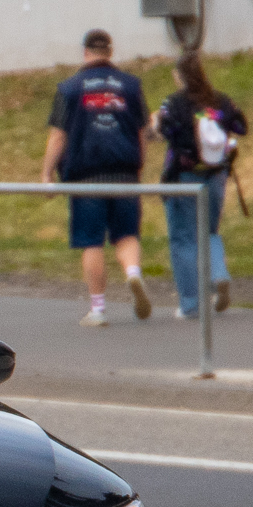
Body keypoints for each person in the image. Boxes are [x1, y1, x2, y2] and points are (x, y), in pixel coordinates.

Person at [41, 30, 152, 325]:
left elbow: (58, 136)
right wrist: (139, 167)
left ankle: (99, 309)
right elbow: (142, 132)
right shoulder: (130, 86)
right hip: (125, 174)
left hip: (86, 176)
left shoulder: (70, 88)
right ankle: (133, 274)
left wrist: (47, 172)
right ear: (110, 52)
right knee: (126, 235)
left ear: (85, 52)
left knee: (92, 241)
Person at [152, 51, 247, 317]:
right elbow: (240, 126)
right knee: (210, 231)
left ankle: (191, 304)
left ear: (178, 75)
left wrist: (157, 123)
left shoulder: (175, 102)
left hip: (183, 175)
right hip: (215, 174)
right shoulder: (220, 100)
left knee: (182, 238)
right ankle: (219, 274)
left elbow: (165, 131)